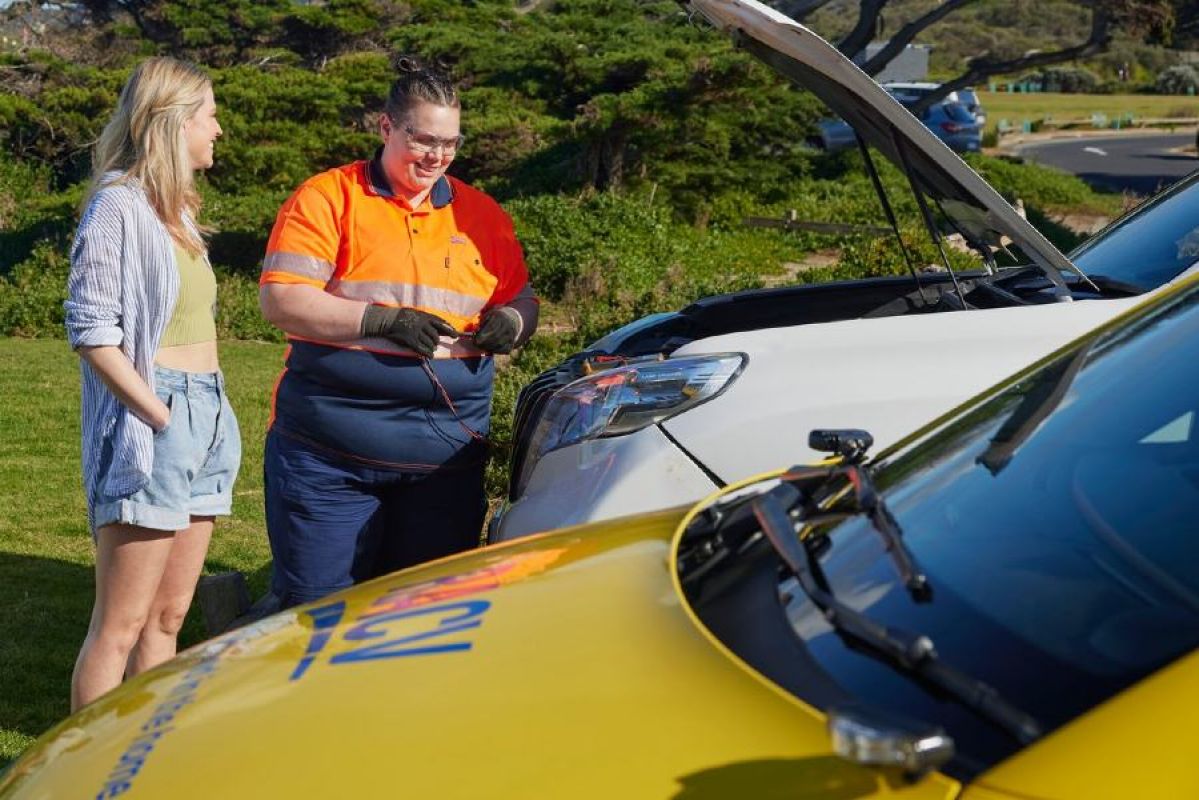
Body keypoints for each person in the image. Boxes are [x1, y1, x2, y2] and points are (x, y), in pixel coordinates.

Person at [259, 63, 538, 608]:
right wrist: (381, 320)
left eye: (450, 143)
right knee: (315, 612)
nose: (436, 156)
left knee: (420, 619)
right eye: (424, 139)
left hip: (444, 466)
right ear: (386, 127)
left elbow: (521, 296)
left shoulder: (483, 215)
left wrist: (516, 321)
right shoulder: (326, 198)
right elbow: (282, 300)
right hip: (328, 456)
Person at [64, 57, 241, 711]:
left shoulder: (180, 213)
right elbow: (90, 332)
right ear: (175, 123)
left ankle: (143, 764)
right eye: (211, 115)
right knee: (120, 627)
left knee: (167, 621)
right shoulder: (117, 206)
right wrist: (159, 414)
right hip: (155, 419)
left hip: (208, 416)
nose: (219, 129)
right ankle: (85, 774)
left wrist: (207, 417)